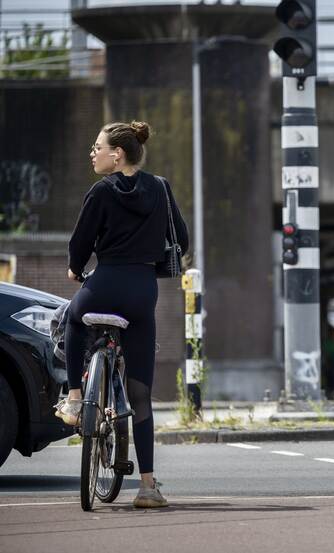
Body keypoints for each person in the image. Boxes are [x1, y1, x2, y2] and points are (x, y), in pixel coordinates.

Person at [54, 121, 189, 509]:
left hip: (105, 283)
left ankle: (76, 399)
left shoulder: (101, 191)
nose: (92, 153)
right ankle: (148, 487)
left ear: (118, 154)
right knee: (140, 395)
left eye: (97, 147)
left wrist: (75, 267)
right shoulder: (160, 188)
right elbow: (181, 237)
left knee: (75, 319)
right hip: (142, 292)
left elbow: (80, 241)